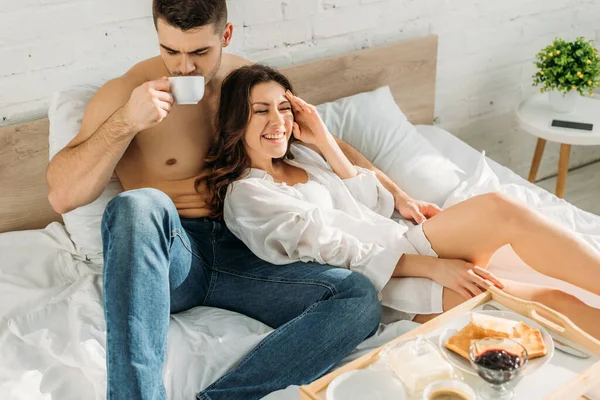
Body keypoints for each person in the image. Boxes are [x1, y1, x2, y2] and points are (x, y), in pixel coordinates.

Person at [46, 1, 424, 399]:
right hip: (177, 257)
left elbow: (314, 135)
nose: (184, 68)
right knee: (138, 206)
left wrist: (398, 193)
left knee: (357, 295)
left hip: (251, 250)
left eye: (199, 53)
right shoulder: (127, 94)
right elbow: (63, 194)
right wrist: (127, 121)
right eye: (170, 51)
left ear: (225, 36)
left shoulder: (248, 85)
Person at [201, 64, 600, 342]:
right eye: (261, 111)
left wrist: (323, 141)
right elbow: (338, 253)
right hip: (384, 284)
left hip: (402, 242)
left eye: (284, 108)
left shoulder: (301, 156)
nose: (279, 121)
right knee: (547, 301)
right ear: (238, 120)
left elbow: (371, 203)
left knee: (501, 206)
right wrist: (437, 268)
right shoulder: (247, 195)